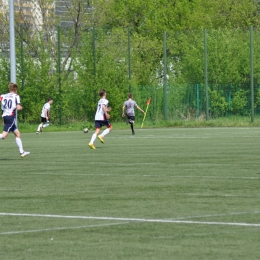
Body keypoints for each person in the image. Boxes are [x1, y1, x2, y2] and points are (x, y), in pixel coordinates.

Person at [0, 82, 30, 158]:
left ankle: (22, 152)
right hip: (10, 117)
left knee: (17, 134)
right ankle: (22, 152)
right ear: (15, 89)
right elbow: (18, 107)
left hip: (5, 116)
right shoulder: (16, 96)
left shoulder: (3, 96)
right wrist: (21, 107)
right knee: (3, 136)